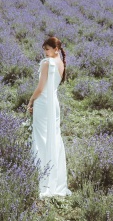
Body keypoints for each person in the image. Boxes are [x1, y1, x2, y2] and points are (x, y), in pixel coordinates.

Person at [27, 36, 71, 197]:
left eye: (47, 49)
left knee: (40, 138)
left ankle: (42, 178)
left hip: (43, 103)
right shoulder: (60, 63)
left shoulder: (47, 63)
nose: (45, 52)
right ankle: (54, 178)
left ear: (56, 49)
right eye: (44, 49)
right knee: (53, 137)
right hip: (54, 104)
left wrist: (31, 100)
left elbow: (40, 87)